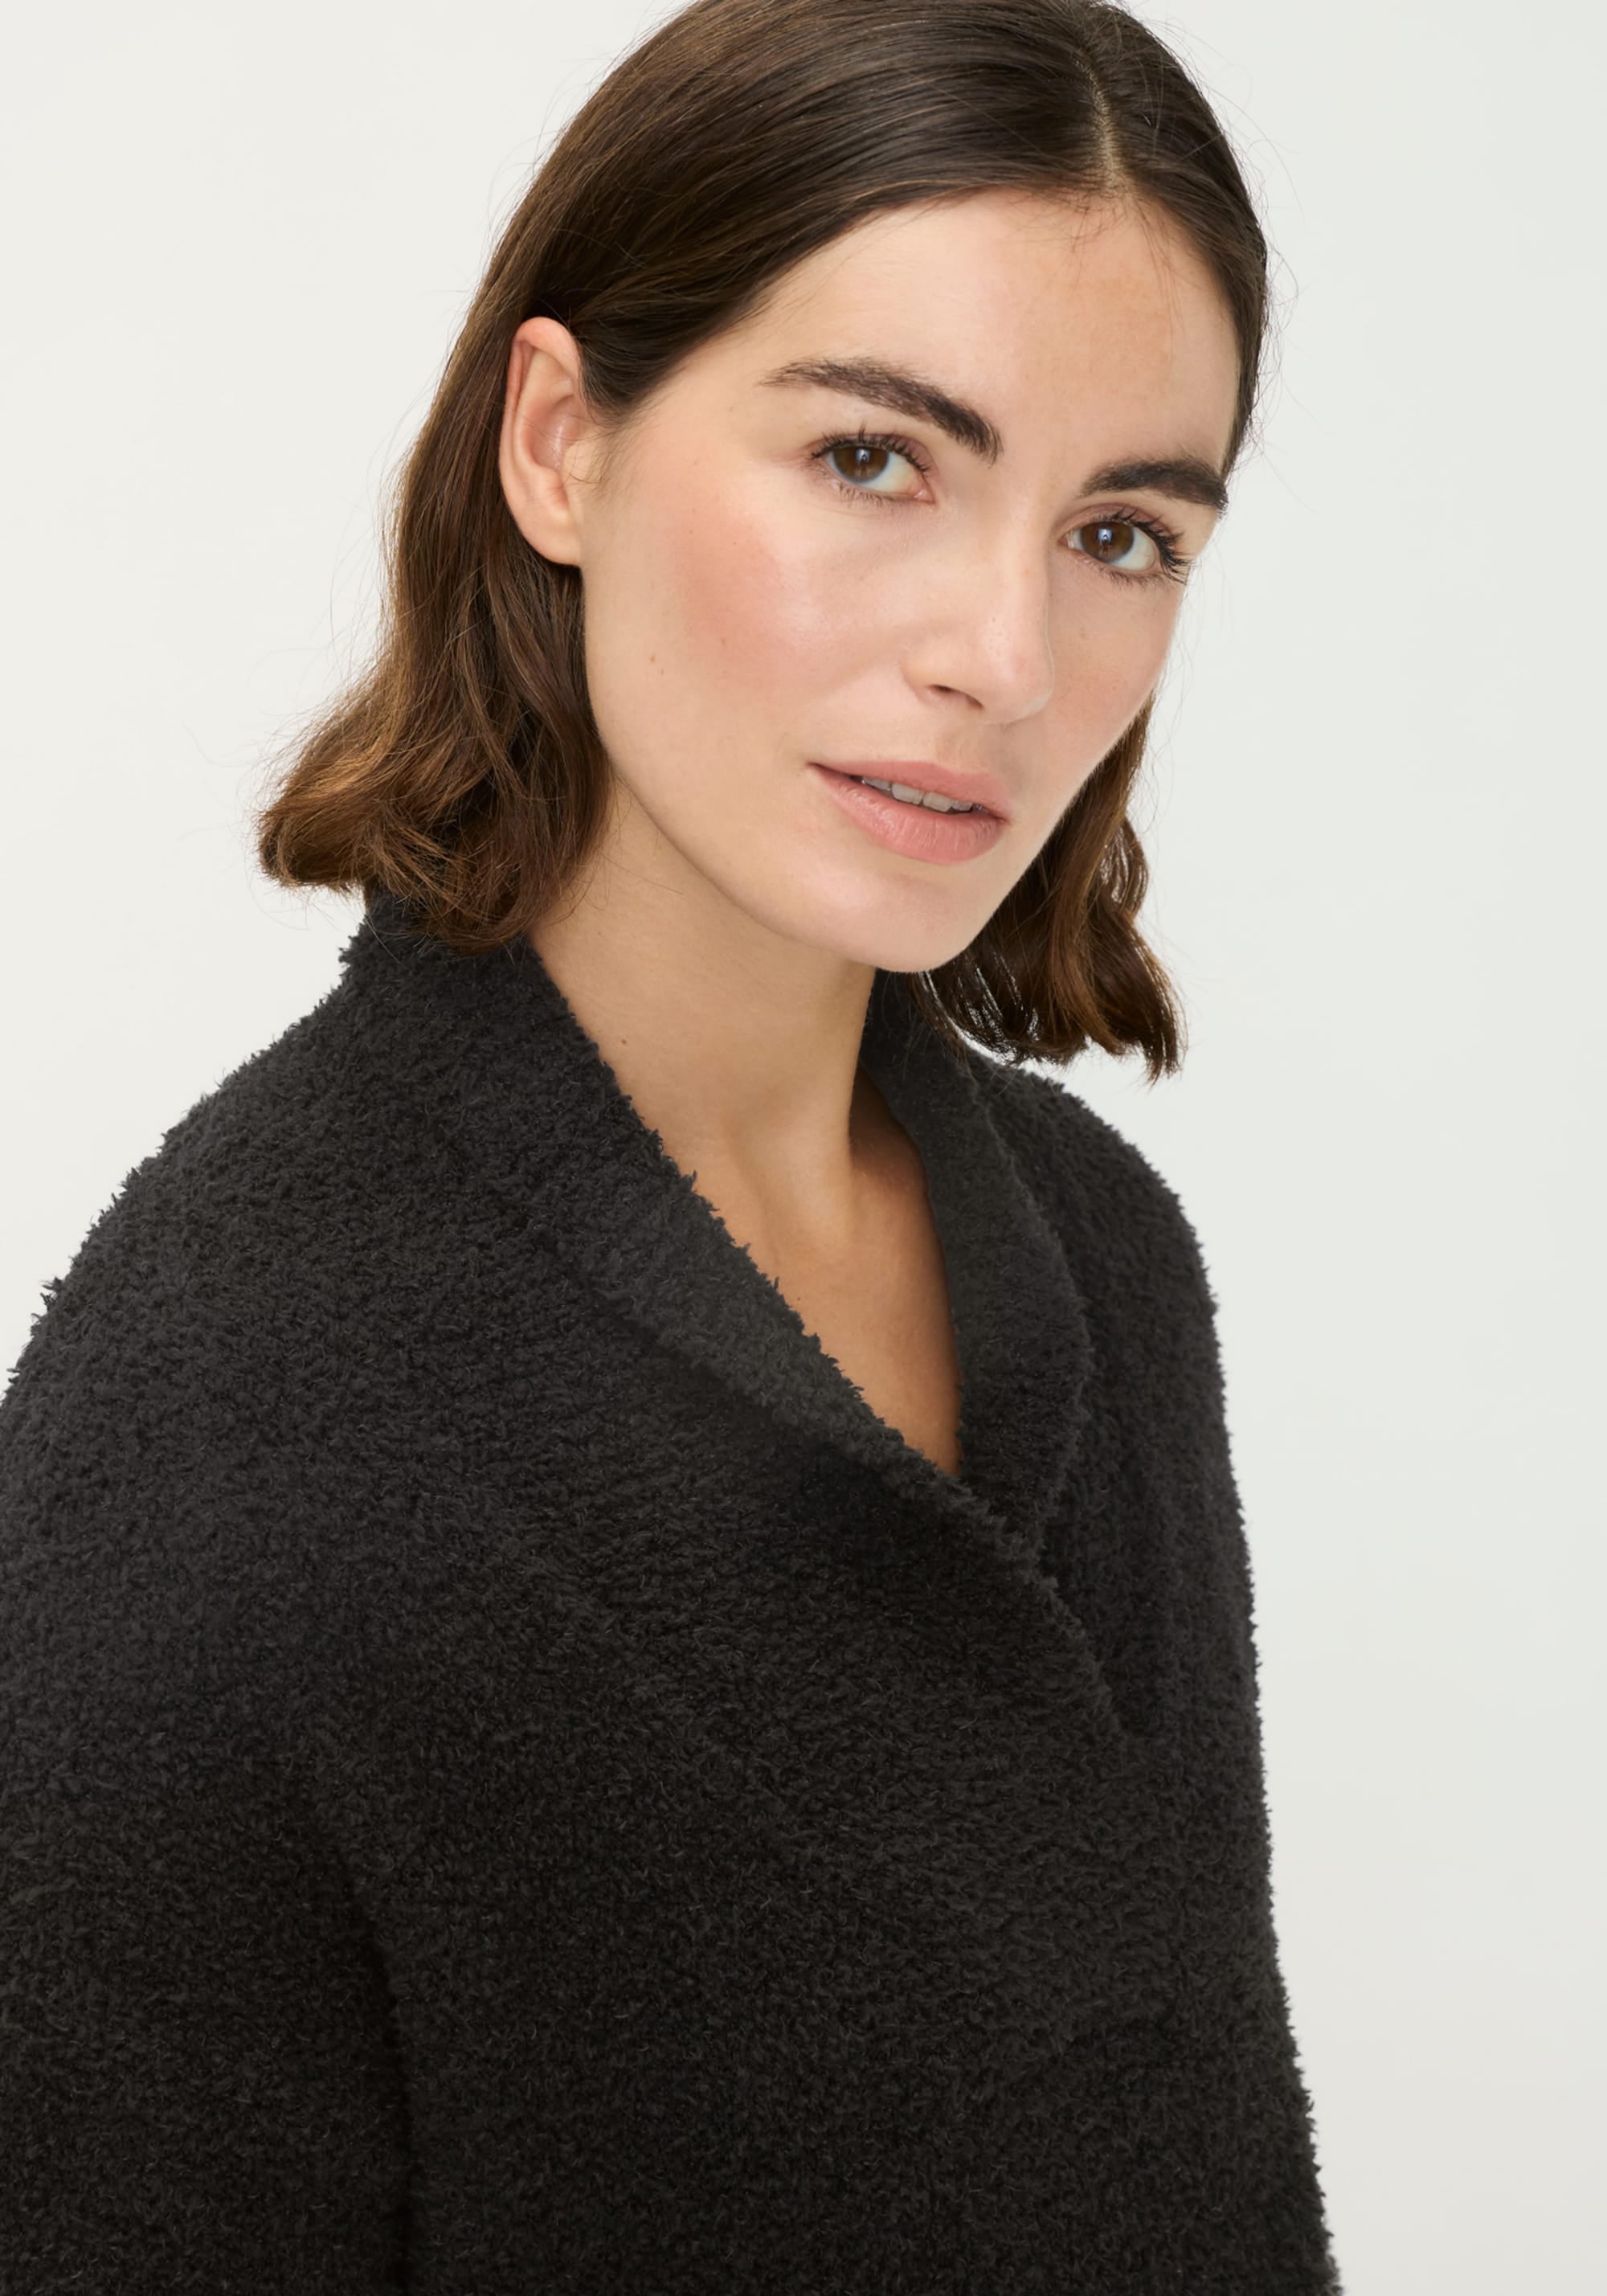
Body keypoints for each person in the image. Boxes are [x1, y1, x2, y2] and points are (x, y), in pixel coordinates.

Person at [0, 0, 1343, 2287]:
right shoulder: (221, 1413)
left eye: (1122, 532)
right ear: (560, 444)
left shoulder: (1103, 1257)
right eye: (874, 459)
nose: (1007, 655)